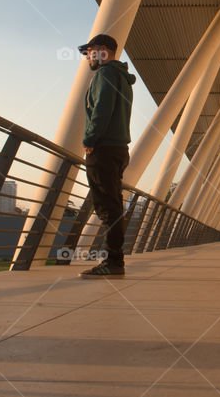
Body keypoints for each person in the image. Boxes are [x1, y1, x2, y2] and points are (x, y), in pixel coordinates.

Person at [76, 33, 135, 278]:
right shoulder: (121, 76)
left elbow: (102, 108)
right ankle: (114, 260)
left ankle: (113, 262)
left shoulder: (105, 74)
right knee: (112, 205)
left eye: (89, 51)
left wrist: (89, 139)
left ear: (101, 50)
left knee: (107, 207)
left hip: (104, 148)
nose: (87, 57)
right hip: (118, 148)